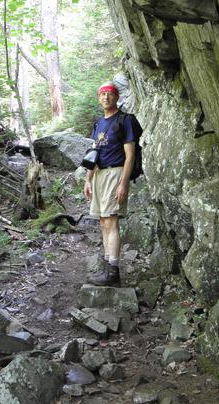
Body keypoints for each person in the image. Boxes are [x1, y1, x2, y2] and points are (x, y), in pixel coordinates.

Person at [83, 81, 135, 286]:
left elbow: (130, 156)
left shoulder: (125, 120)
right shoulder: (98, 124)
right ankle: (107, 267)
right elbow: (93, 154)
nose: (106, 97)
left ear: (117, 97)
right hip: (99, 175)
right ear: (99, 98)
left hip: (115, 173)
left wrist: (123, 183)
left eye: (110, 93)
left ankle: (113, 273)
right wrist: (88, 179)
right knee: (103, 222)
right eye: (103, 94)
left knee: (111, 220)